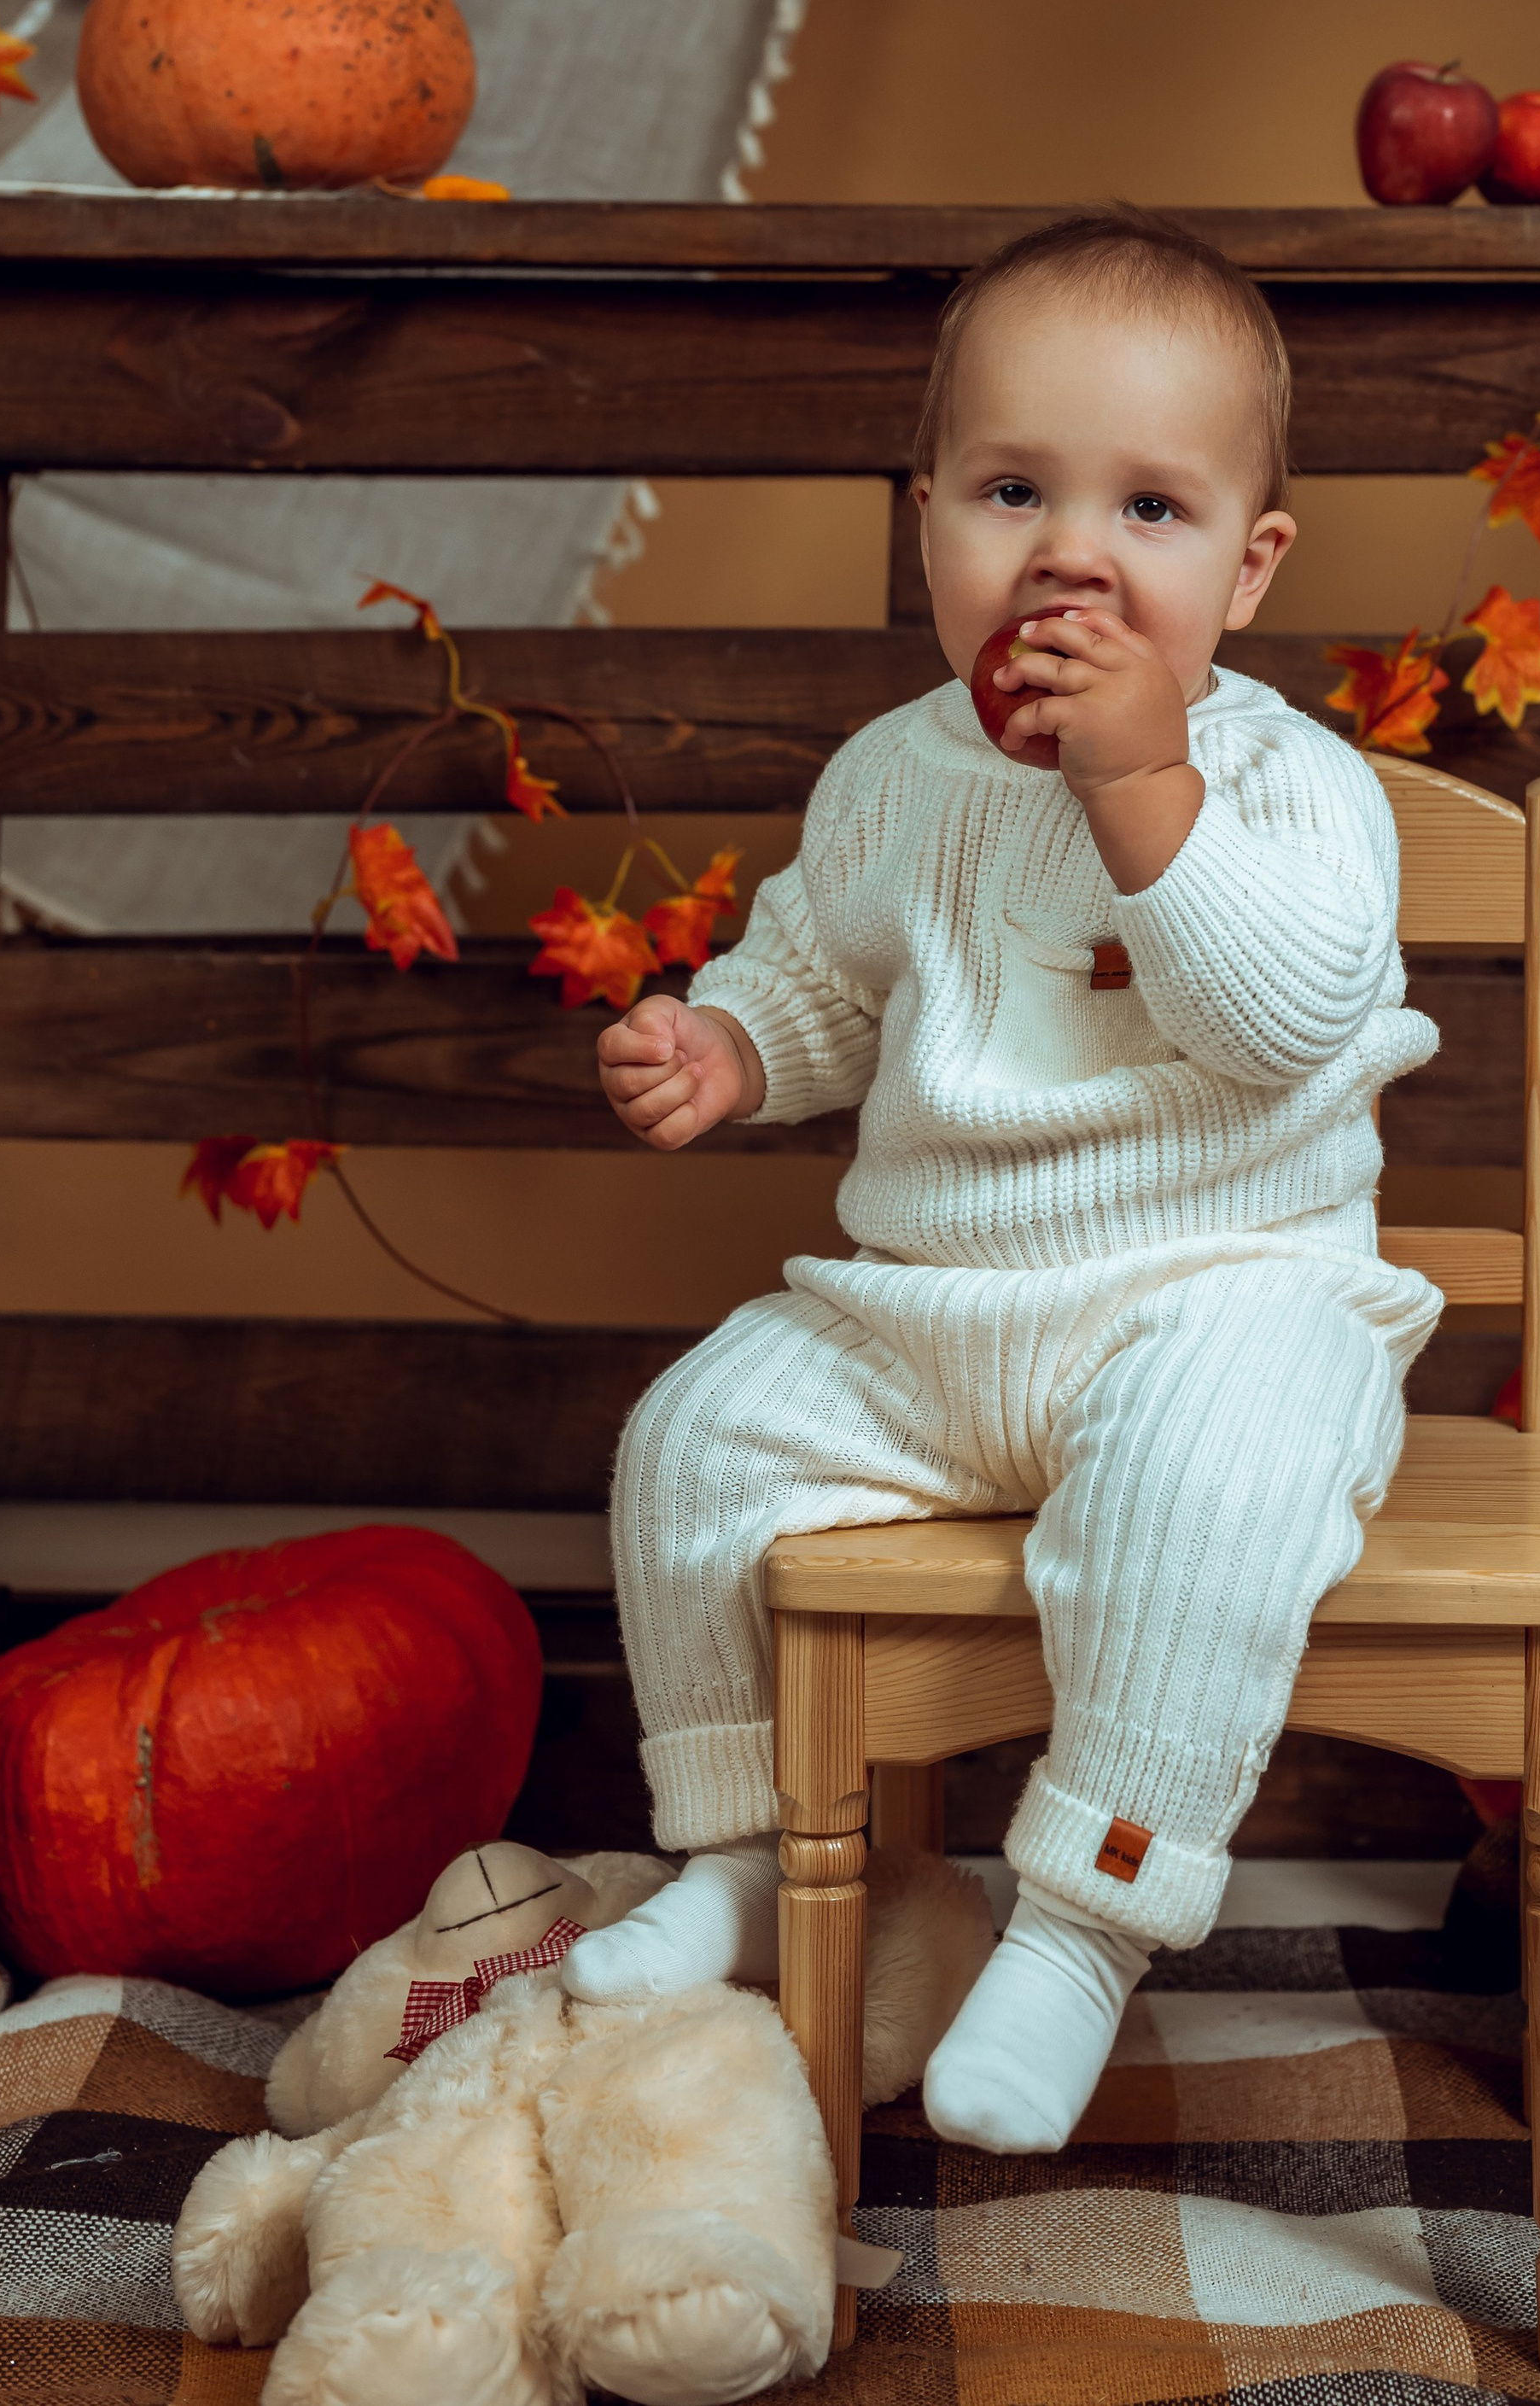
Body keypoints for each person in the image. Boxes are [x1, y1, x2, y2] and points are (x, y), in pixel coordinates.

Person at [562, 213, 1440, 2152]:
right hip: (935, 1320)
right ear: (929, 523)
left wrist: (1142, 786)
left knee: (1211, 1495)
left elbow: (1281, 1021)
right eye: (1013, 491)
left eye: (1148, 509)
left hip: (1229, 1304)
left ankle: (1079, 1925)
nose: (1072, 553)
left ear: (1246, 562)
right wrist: (729, 1049)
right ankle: (731, 1851)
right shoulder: (890, 776)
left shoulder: (1296, 787)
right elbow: (818, 974)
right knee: (691, 1443)